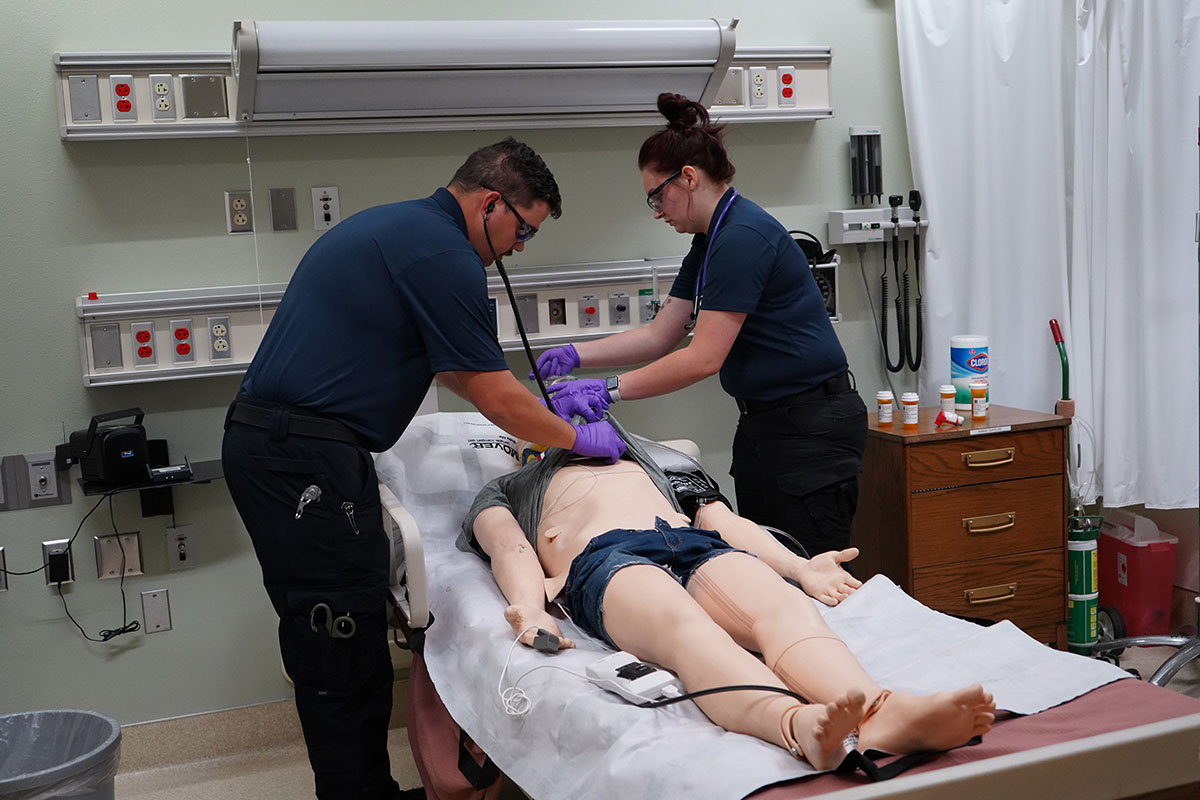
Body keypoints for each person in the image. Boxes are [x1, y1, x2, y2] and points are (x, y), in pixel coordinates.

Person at [221, 138, 621, 800]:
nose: (519, 248)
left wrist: (545, 411)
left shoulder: (403, 230)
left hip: (290, 450)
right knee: (340, 646)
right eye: (522, 229)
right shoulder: (444, 257)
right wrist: (571, 438)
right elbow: (490, 394)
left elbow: (464, 375)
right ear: (491, 203)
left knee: (337, 641)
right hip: (301, 459)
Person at [460, 418, 995, 770]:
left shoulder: (657, 460)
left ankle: (882, 714)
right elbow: (510, 549)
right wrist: (531, 609)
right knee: (687, 630)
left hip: (692, 542)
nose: (577, 422)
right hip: (604, 558)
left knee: (781, 607)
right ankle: (799, 726)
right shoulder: (509, 487)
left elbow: (722, 518)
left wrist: (800, 569)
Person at [534, 93, 868, 558]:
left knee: (812, 570)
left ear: (688, 177)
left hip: (810, 429)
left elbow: (703, 358)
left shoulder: (742, 238)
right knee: (765, 563)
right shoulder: (710, 240)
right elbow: (661, 334)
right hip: (766, 424)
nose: (656, 210)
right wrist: (576, 354)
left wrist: (607, 389)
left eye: (657, 195)